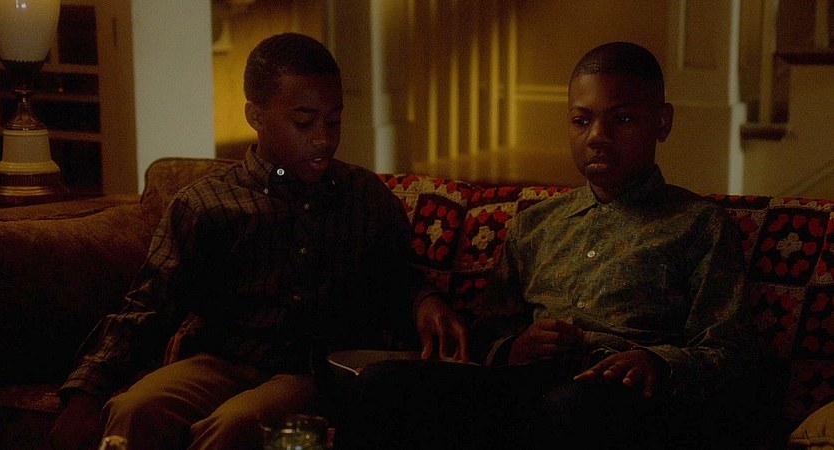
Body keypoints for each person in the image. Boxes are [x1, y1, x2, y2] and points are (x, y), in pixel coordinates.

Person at [47, 33, 466, 450]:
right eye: (304, 122)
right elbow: (148, 306)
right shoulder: (205, 204)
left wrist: (425, 301)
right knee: (134, 409)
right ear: (256, 115)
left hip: (306, 373)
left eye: (334, 120)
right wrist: (85, 396)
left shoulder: (363, 196)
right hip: (219, 361)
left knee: (236, 425)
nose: (324, 138)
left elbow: (396, 279)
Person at [340, 41, 761, 450]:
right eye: (581, 120)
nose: (597, 136)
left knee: (571, 409)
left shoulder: (698, 224)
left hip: (622, 397)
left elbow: (729, 352)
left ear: (662, 122)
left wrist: (655, 361)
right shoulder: (536, 224)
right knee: (380, 384)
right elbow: (488, 332)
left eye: (622, 119)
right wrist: (515, 347)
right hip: (528, 385)